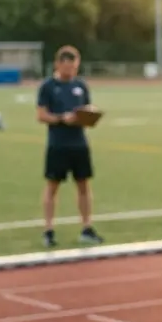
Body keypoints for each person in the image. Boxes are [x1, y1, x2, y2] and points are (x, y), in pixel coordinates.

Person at [36, 45, 104, 248]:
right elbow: (41, 115)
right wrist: (61, 118)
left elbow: (87, 108)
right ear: (58, 64)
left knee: (84, 185)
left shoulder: (81, 86)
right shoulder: (48, 86)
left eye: (74, 67)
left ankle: (87, 227)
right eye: (67, 67)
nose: (71, 71)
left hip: (79, 143)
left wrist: (88, 116)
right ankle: (48, 230)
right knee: (52, 186)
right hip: (58, 143)